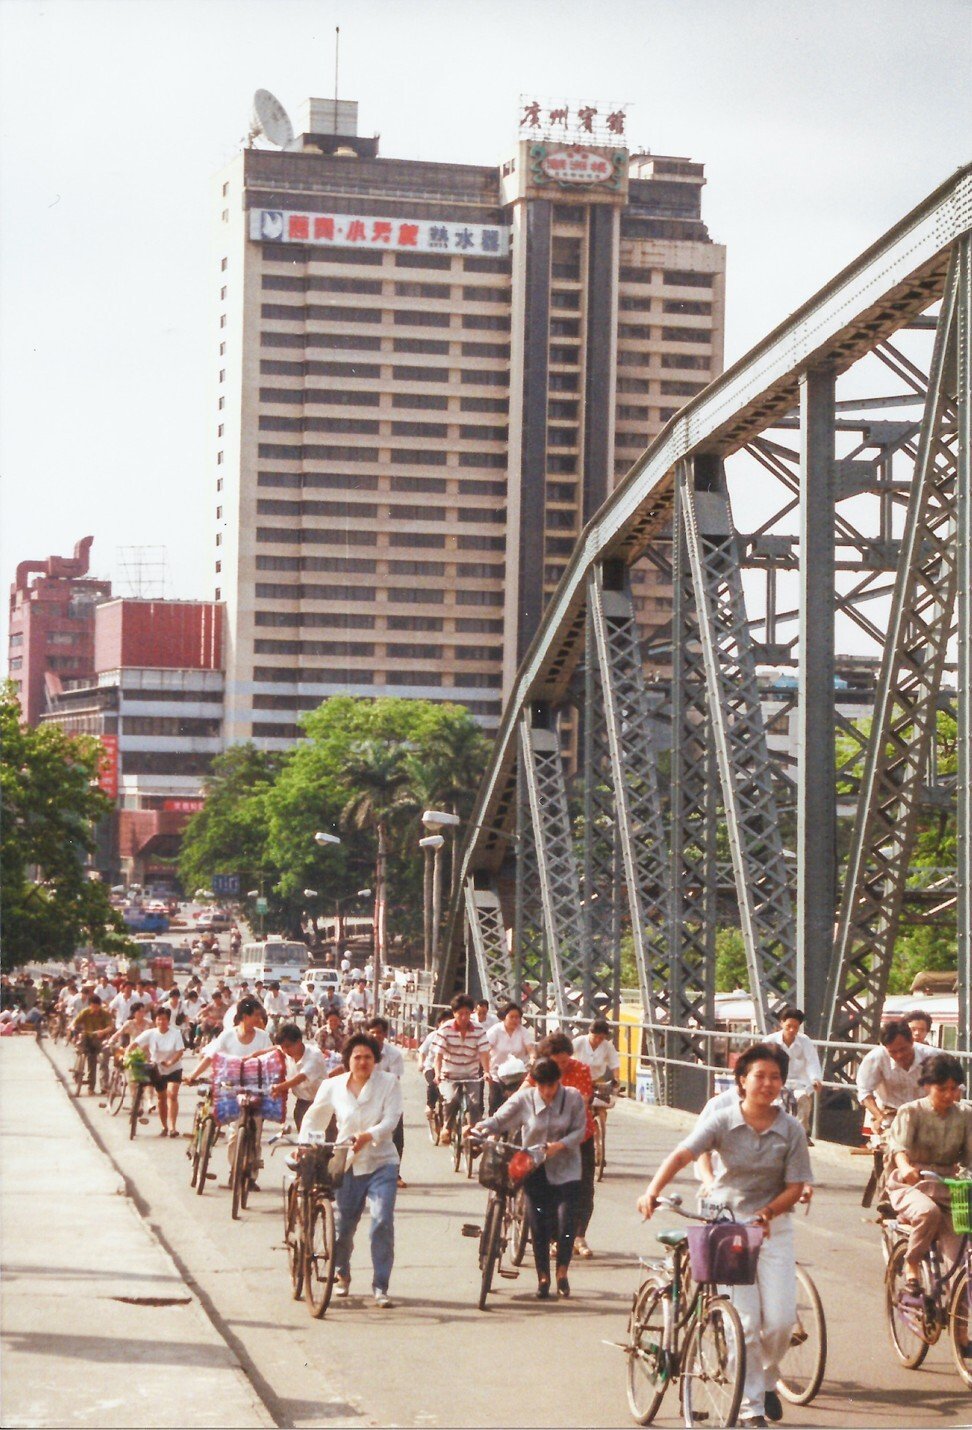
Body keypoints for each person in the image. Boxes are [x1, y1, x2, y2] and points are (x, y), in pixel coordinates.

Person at [638, 1043, 812, 1428]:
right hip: (727, 1227)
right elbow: (683, 1154)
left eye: (775, 1077)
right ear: (742, 1081)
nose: (768, 1084)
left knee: (781, 1321)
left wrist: (767, 1212)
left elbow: (796, 1185)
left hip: (771, 1229)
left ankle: (766, 1378)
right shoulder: (721, 1120)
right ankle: (751, 1407)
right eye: (759, 1076)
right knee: (745, 1322)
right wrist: (652, 1190)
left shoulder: (792, 1129)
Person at [300, 1032, 403, 1308]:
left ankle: (381, 1285)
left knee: (381, 1221)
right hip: (346, 1163)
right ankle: (341, 1271)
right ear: (347, 1060)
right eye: (357, 1057)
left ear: (375, 1060)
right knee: (343, 1227)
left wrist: (369, 1136)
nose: (362, 1062)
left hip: (382, 1161)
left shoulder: (389, 1083)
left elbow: (391, 1120)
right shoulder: (333, 1085)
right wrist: (306, 1145)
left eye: (368, 1057)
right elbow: (315, 1118)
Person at [475, 1055, 587, 1299]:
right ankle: (543, 1277)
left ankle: (562, 1272)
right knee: (538, 1222)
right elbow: (500, 1119)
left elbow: (580, 1130)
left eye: (552, 1085)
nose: (547, 1092)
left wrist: (559, 1145)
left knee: (566, 1221)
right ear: (535, 1083)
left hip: (567, 1168)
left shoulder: (573, 1098)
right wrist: (480, 1128)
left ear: (559, 1082)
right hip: (534, 1168)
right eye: (542, 1086)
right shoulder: (525, 1099)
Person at [885, 1052, 972, 1289]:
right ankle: (911, 1261)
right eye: (942, 1088)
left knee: (962, 1261)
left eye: (954, 1089)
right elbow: (898, 1148)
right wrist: (904, 1167)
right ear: (927, 1086)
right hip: (911, 1184)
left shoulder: (965, 1114)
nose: (948, 1095)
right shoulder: (911, 1111)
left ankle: (959, 1317)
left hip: (948, 1187)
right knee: (928, 1212)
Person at [186, 996, 273, 1183]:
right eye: (256, 1016)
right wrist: (193, 1075)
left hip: (254, 1091)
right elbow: (210, 1057)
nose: (259, 1020)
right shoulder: (227, 1036)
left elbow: (271, 1061)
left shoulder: (263, 1037)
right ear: (244, 1016)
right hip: (231, 1090)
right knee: (234, 1134)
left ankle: (251, 1175)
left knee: (255, 1132)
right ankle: (235, 1170)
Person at [534, 1032, 598, 1259]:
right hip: (550, 1139)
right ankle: (555, 1239)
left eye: (565, 1061)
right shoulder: (540, 1071)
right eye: (557, 1062)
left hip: (581, 1136)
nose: (562, 1066)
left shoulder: (580, 1069)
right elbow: (525, 1091)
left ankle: (579, 1237)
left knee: (585, 1188)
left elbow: (584, 1098)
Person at [857, 1019, 936, 1133]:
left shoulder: (933, 1056)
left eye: (903, 1049)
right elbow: (865, 1092)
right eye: (893, 1052)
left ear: (912, 1042)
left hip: (926, 1118)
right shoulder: (875, 1058)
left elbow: (956, 1089)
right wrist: (879, 1116)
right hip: (889, 1119)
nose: (899, 1055)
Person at [244, 1023, 328, 1130]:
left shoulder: (314, 1055)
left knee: (324, 1141)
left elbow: (301, 1078)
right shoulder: (285, 1050)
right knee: (304, 1141)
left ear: (298, 1042)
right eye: (283, 1047)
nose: (285, 1051)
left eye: (288, 1046)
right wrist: (249, 1058)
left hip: (323, 1103)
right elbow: (271, 1050)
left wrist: (278, 1087)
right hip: (302, 1102)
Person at [432, 994, 491, 1142]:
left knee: (475, 1103)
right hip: (449, 1074)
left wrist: (487, 1071)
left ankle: (473, 1132)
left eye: (467, 1013)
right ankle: (447, 1127)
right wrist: (438, 1073)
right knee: (451, 1099)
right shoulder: (445, 1029)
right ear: (454, 1013)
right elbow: (438, 1056)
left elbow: (484, 1053)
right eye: (460, 1013)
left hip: (471, 1074)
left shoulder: (478, 1029)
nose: (464, 1017)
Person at [765, 1006, 822, 1139]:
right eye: (788, 1026)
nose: (792, 1030)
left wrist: (815, 1079)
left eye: (795, 1027)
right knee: (778, 1105)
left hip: (800, 1082)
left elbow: (812, 1061)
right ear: (781, 1023)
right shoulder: (769, 1041)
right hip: (777, 1081)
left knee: (803, 1100)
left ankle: (800, 1135)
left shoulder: (805, 1041)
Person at [132, 1005, 185, 1136]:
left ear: (168, 1020)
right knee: (161, 1098)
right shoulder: (150, 1033)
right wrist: (127, 1055)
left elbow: (180, 1051)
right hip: (157, 1069)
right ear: (156, 1020)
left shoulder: (175, 1033)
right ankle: (164, 1126)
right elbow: (134, 1044)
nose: (162, 1022)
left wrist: (170, 1062)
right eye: (159, 1019)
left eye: (164, 1019)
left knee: (172, 1095)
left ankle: (172, 1127)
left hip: (174, 1068)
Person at [366, 1017, 406, 1184]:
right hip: (366, 1098)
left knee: (396, 1137)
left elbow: (394, 1079)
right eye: (372, 1032)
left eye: (379, 1032)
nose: (376, 1035)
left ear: (385, 1034)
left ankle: (395, 1173)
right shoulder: (362, 1052)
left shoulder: (394, 1054)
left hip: (389, 1098)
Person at [485, 1003, 534, 1113]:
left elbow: (530, 1049)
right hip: (496, 1074)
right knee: (495, 1103)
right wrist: (486, 1070)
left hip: (517, 1074)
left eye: (517, 1017)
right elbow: (486, 1050)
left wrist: (532, 1058)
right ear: (504, 1017)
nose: (515, 1020)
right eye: (511, 1017)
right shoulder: (495, 1031)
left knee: (517, 1104)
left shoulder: (522, 1031)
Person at [69, 993, 114, 1093]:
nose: (95, 1009)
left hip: (101, 1040)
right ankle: (90, 1087)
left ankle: (104, 1086)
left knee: (103, 1063)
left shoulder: (105, 1014)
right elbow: (75, 1022)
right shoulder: (85, 1012)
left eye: (97, 1007)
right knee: (91, 1061)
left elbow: (110, 1027)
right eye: (93, 1006)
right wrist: (72, 1028)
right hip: (88, 1039)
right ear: (90, 1005)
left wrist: (102, 1031)